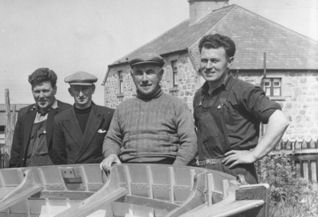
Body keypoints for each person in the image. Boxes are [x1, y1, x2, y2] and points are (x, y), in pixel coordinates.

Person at [193, 33, 289, 183]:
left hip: (236, 175)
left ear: (229, 62)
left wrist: (253, 155)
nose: (208, 66)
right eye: (204, 60)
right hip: (205, 174)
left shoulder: (244, 91)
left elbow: (280, 120)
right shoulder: (199, 96)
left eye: (215, 61)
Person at [101, 53, 197, 173]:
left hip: (167, 169)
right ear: (132, 76)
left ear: (160, 75)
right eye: (139, 73)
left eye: (150, 72)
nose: (144, 79)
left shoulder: (177, 106)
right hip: (129, 170)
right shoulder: (123, 108)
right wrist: (111, 155)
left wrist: (175, 170)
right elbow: (112, 138)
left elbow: (189, 141)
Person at [9, 67, 71, 167]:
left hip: (55, 176)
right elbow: (16, 152)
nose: (41, 96)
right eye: (37, 91)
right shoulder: (24, 114)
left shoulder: (67, 112)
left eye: (45, 91)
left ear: (54, 90)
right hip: (28, 176)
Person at [50, 71, 114, 164]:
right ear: (70, 92)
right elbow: (58, 154)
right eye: (76, 89)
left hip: (98, 172)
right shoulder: (60, 119)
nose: (81, 94)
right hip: (73, 174)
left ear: (93, 89)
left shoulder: (107, 115)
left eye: (85, 89)